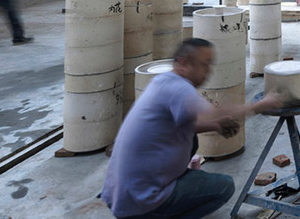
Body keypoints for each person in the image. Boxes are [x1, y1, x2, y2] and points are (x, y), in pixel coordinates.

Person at [102, 38, 284, 219]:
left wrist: (214, 126)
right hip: (139, 201)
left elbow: (181, 123)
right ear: (183, 63)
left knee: (192, 139)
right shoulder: (178, 88)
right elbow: (214, 112)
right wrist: (259, 105)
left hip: (120, 193)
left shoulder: (163, 81)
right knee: (225, 186)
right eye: (205, 64)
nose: (209, 71)